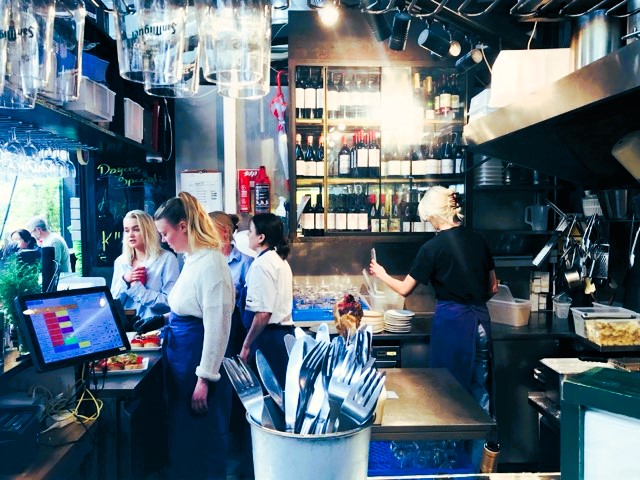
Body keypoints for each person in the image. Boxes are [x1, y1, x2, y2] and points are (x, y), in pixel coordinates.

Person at [370, 186, 498, 415]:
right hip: (481, 322)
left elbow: (405, 289)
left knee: (450, 391)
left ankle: (454, 437)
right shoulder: (478, 239)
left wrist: (382, 274)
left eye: (428, 218)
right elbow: (493, 287)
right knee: (480, 388)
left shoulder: (432, 247)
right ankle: (482, 438)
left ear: (434, 214)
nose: (429, 223)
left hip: (454, 324)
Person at [135, 192, 234, 480]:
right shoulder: (192, 259)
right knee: (184, 441)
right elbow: (191, 307)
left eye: (165, 233)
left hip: (197, 365)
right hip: (183, 361)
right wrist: (162, 319)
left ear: (183, 226)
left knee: (203, 441)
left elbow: (217, 326)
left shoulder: (212, 264)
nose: (163, 240)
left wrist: (205, 379)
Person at [239, 213, 294, 389]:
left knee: (270, 396)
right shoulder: (278, 260)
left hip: (268, 340)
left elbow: (263, 313)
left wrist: (246, 345)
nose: (248, 235)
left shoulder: (261, 265)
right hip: (280, 337)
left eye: (250, 231)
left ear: (261, 237)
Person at [110, 210, 179, 321]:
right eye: (126, 230)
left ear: (148, 231)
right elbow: (114, 302)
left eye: (136, 229)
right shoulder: (120, 262)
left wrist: (137, 290)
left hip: (155, 327)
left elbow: (170, 302)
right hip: (127, 327)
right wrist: (125, 280)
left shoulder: (167, 259)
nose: (130, 235)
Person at [208, 211, 254, 355]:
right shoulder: (205, 262)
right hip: (209, 326)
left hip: (234, 328)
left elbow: (250, 301)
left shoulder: (246, 262)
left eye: (209, 230)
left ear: (225, 232)